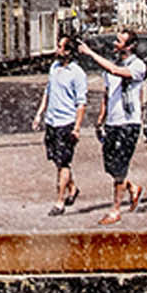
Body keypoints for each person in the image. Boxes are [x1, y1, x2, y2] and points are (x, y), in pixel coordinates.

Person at [79, 29, 146, 221]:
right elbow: (107, 93)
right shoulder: (112, 64)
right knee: (110, 165)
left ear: (130, 46)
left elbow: (116, 72)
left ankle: (115, 210)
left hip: (128, 122)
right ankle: (132, 187)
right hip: (112, 122)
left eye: (119, 41)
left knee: (120, 166)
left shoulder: (138, 66)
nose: (115, 44)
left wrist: (91, 53)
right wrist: (101, 118)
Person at [31, 34, 87, 212]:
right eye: (58, 46)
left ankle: (59, 201)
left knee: (63, 163)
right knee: (57, 159)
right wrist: (39, 114)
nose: (58, 50)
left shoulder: (77, 73)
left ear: (69, 52)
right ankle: (73, 188)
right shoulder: (54, 67)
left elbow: (81, 103)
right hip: (52, 121)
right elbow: (48, 91)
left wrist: (77, 128)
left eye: (62, 47)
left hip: (66, 123)